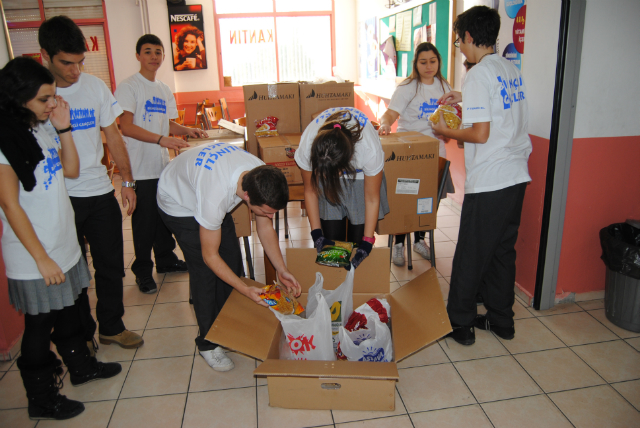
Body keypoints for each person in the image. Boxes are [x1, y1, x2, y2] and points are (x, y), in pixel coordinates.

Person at [0, 57, 121, 421]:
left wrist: (63, 128)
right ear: (17, 99)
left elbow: (70, 169)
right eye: (44, 99)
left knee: (70, 312)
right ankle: (41, 396)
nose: (53, 104)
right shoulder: (5, 140)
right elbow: (9, 203)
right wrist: (41, 258)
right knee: (40, 326)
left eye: (53, 97)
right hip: (35, 253)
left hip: (63, 242)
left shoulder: (39, 127)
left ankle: (81, 369)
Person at [38, 16, 143, 352]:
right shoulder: (37, 96)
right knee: (74, 272)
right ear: (45, 55)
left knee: (111, 265)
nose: (75, 71)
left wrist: (127, 182)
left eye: (80, 62)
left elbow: (114, 137)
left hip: (99, 192)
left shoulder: (95, 87)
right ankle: (81, 332)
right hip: (60, 198)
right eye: (66, 63)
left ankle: (112, 327)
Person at [433, 6, 532, 345]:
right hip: (517, 175)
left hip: (491, 179)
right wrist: (463, 98)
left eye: (460, 40)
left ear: (471, 37)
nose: (460, 46)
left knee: (471, 253)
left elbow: (479, 134)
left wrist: (445, 128)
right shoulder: (507, 67)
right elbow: (498, 105)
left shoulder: (477, 74)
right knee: (503, 251)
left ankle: (459, 322)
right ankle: (502, 320)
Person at [156, 141, 301, 371]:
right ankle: (207, 343)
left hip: (203, 188)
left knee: (232, 259)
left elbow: (265, 228)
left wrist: (282, 269)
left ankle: (226, 325)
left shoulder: (260, 175)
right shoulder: (216, 195)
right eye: (265, 211)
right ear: (246, 195)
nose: (269, 216)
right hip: (178, 202)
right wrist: (246, 290)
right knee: (205, 273)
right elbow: (209, 257)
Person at [116, 34, 205, 294]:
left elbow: (166, 124)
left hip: (161, 167)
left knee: (164, 217)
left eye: (158, 52)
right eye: (147, 51)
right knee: (144, 224)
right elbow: (126, 126)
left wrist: (187, 130)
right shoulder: (129, 86)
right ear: (138, 56)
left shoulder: (164, 89)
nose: (153, 56)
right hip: (139, 168)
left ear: (163, 56)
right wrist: (160, 140)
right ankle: (142, 271)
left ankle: (166, 260)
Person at [378, 42, 455, 267]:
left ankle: (420, 239)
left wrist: (451, 132)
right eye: (423, 62)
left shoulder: (443, 85)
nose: (429, 66)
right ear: (416, 64)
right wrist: (385, 125)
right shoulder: (408, 87)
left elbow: (450, 116)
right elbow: (391, 113)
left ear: (438, 61)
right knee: (405, 200)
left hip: (436, 154)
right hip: (408, 156)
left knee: (428, 200)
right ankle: (399, 244)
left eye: (433, 61)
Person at [295, 108, 389, 269]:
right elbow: (311, 190)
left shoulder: (368, 149)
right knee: (331, 241)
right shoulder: (308, 146)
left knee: (358, 239)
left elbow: (372, 199)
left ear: (350, 159)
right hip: (330, 161)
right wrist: (317, 234)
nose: (327, 178)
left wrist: (367, 242)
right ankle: (334, 284)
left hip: (360, 178)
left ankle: (356, 284)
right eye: (323, 174)